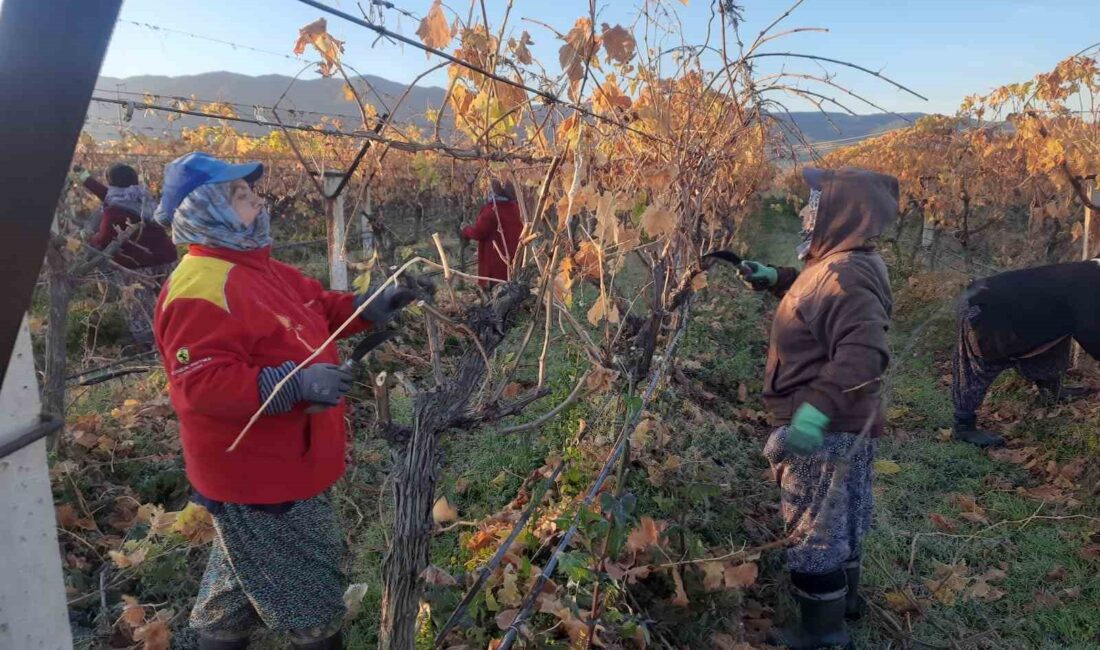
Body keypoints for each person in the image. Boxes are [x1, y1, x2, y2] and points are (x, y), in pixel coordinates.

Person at [152, 152, 414, 649]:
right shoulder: (200, 287)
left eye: (253, 192)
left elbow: (317, 304)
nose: (259, 201)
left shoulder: (255, 265)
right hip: (261, 474)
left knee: (235, 581)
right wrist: (292, 384)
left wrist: (367, 306)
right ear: (207, 208)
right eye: (242, 195)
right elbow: (200, 385)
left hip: (283, 460)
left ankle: (218, 636)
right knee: (310, 598)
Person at [740, 167, 898, 650]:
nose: (807, 212)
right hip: (846, 424)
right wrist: (779, 280)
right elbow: (820, 296)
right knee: (840, 518)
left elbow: (863, 357)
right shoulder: (848, 262)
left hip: (824, 428)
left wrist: (809, 419)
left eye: (816, 201)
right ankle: (845, 605)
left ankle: (823, 638)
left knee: (813, 535)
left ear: (842, 212)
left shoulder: (842, 274)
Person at [951, 262, 1098, 448]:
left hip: (1026, 309)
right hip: (985, 308)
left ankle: (1051, 393)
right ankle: (963, 425)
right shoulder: (1090, 285)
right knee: (981, 364)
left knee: (1054, 343)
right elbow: (1091, 333)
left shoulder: (1089, 272)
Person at [74, 163, 178, 347]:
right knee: (174, 298)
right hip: (166, 256)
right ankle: (181, 333)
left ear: (113, 184)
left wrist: (87, 238)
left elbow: (104, 239)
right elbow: (106, 193)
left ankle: (150, 345)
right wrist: (84, 177)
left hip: (136, 264)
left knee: (139, 306)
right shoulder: (143, 196)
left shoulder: (114, 210)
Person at [461, 179, 523, 287]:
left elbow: (479, 232)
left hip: (495, 262)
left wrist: (465, 229)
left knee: (497, 292)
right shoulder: (515, 208)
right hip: (514, 257)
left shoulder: (491, 210)